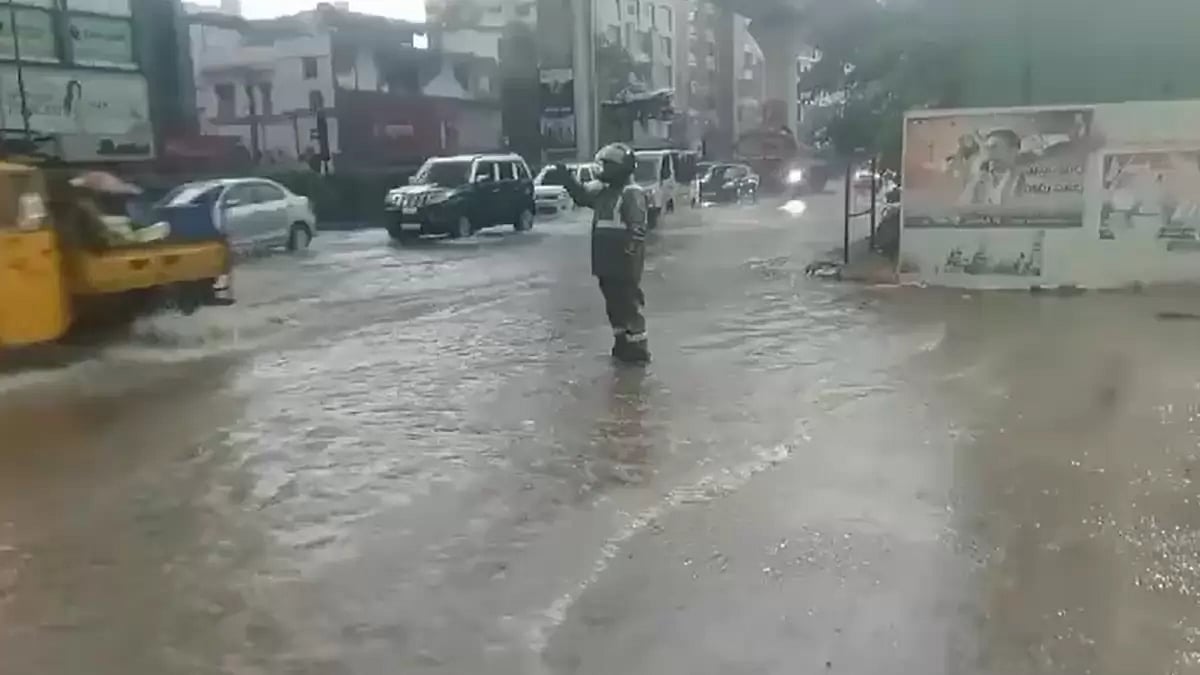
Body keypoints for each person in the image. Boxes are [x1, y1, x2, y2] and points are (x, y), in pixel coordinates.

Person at [553, 143, 651, 364]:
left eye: (607, 165)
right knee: (613, 306)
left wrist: (631, 253)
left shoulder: (631, 193)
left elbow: (638, 228)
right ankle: (621, 344)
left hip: (623, 261)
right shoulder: (603, 191)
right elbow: (581, 196)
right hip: (605, 260)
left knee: (628, 305)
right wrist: (567, 180)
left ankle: (637, 350)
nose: (602, 169)